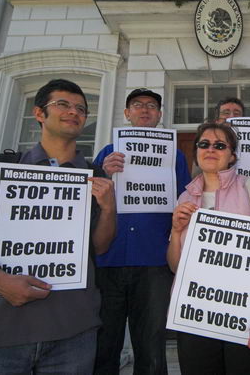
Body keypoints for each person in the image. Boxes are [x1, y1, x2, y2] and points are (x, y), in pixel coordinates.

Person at [0, 78, 116, 374]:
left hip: (72, 334)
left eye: (80, 108)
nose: (73, 112)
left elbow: (98, 247)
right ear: (39, 114)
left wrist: (108, 209)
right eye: (62, 104)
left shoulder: (94, 176)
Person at [167, 122, 250, 375]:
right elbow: (176, 267)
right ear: (196, 151)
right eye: (204, 144)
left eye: (220, 145)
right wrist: (177, 232)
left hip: (248, 315)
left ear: (232, 155)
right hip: (197, 317)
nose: (211, 149)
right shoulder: (185, 197)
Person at [93, 88, 191, 375]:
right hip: (108, 259)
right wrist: (103, 173)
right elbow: (88, 203)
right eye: (137, 105)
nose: (144, 110)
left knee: (151, 348)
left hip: (154, 261)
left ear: (159, 115)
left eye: (151, 106)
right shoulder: (108, 152)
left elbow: (183, 203)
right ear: (127, 113)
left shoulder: (176, 156)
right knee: (103, 345)